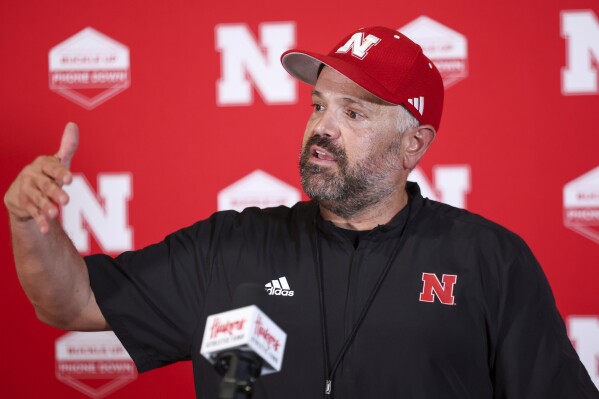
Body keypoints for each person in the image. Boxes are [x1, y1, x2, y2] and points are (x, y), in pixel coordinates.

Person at [5, 26, 599, 399]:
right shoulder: (229, 246)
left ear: (412, 146)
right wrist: (31, 226)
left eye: (355, 113)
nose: (322, 127)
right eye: (319, 104)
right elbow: (70, 301)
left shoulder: (489, 261)